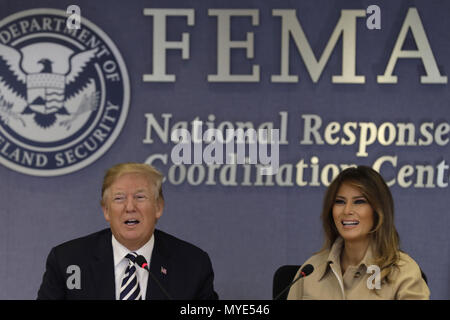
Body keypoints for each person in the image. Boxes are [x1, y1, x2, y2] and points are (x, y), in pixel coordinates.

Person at [37, 162, 218, 300]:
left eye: (140, 197)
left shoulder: (192, 265)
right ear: (106, 210)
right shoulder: (68, 260)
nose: (130, 206)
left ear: (158, 207)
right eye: (119, 198)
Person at [287, 166, 430, 300]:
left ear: (378, 211)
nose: (347, 210)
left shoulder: (404, 272)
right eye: (340, 201)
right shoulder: (310, 270)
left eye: (359, 202)